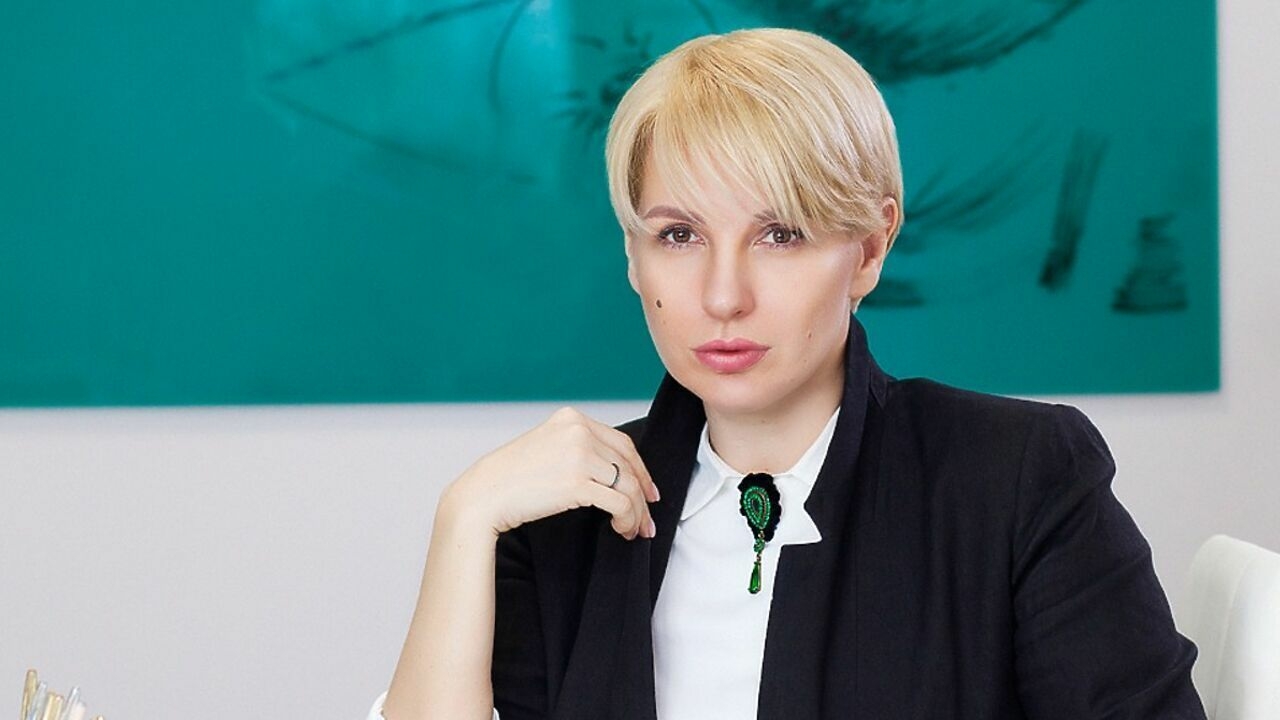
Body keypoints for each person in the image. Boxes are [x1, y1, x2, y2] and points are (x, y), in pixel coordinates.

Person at [370, 27, 1206, 720]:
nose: (723, 296)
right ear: (633, 256)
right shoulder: (563, 517)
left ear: (870, 248)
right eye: (678, 236)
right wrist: (465, 517)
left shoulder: (1017, 476)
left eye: (781, 235)